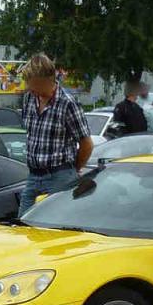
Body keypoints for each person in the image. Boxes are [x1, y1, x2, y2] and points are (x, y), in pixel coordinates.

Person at [18, 53, 93, 217]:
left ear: (47, 80)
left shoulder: (67, 103)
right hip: (33, 175)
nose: (30, 88)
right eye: (29, 83)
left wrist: (73, 170)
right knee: (23, 222)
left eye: (34, 84)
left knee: (56, 224)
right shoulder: (29, 99)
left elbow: (86, 143)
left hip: (59, 175)